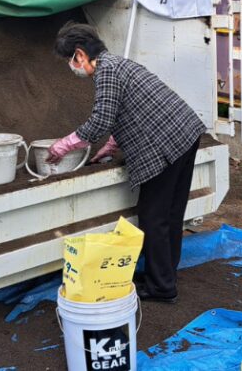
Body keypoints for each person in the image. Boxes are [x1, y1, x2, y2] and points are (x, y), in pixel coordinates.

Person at [47, 22, 206, 303]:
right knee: (170, 213)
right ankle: (166, 274)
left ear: (80, 55)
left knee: (153, 216)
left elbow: (100, 121)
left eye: (70, 60)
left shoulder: (106, 71)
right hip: (186, 132)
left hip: (166, 142)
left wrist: (64, 145)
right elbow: (130, 111)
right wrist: (109, 146)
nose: (72, 67)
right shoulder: (118, 64)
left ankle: (161, 287)